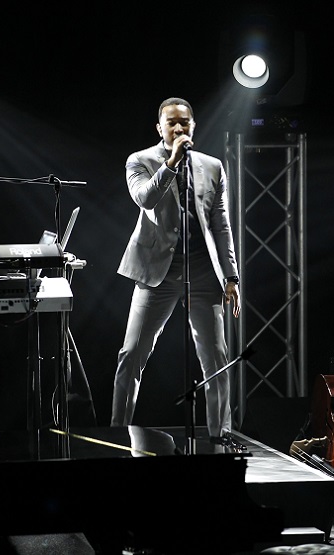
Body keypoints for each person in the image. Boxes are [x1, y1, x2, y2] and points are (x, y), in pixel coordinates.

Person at [110, 97, 241, 443]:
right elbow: (145, 199)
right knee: (132, 354)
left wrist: (230, 276)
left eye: (185, 123)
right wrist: (170, 163)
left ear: (193, 126)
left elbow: (221, 224)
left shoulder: (212, 166)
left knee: (216, 357)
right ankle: (116, 434)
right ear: (160, 128)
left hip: (201, 268)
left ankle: (220, 436)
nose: (179, 128)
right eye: (172, 123)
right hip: (157, 271)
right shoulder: (139, 160)